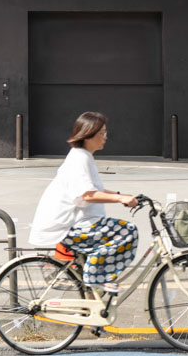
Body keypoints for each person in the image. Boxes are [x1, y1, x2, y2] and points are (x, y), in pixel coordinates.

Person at [29, 111, 140, 293]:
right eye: (102, 133)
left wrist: (122, 195)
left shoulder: (83, 156)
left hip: (78, 224)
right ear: (88, 134)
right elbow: (87, 195)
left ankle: (92, 293)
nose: (105, 137)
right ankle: (97, 277)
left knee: (115, 236)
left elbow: (94, 190)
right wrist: (120, 198)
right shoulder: (80, 158)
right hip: (72, 227)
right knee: (128, 231)